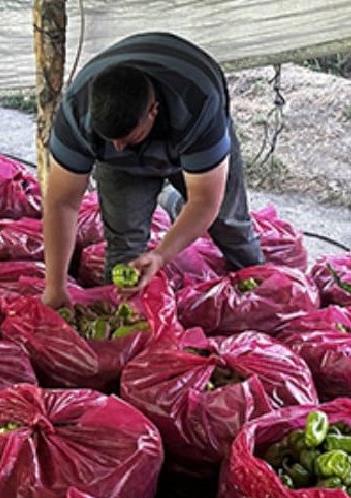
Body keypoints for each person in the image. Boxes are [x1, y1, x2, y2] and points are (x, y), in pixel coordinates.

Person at [39, 32, 263, 305]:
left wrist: (160, 256)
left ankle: (260, 293)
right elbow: (61, 202)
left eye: (127, 137)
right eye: (111, 139)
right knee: (125, 244)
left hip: (190, 136)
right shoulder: (76, 113)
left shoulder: (199, 104)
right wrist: (55, 286)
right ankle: (126, 317)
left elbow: (205, 201)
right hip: (123, 166)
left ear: (153, 111)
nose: (118, 147)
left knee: (228, 223)